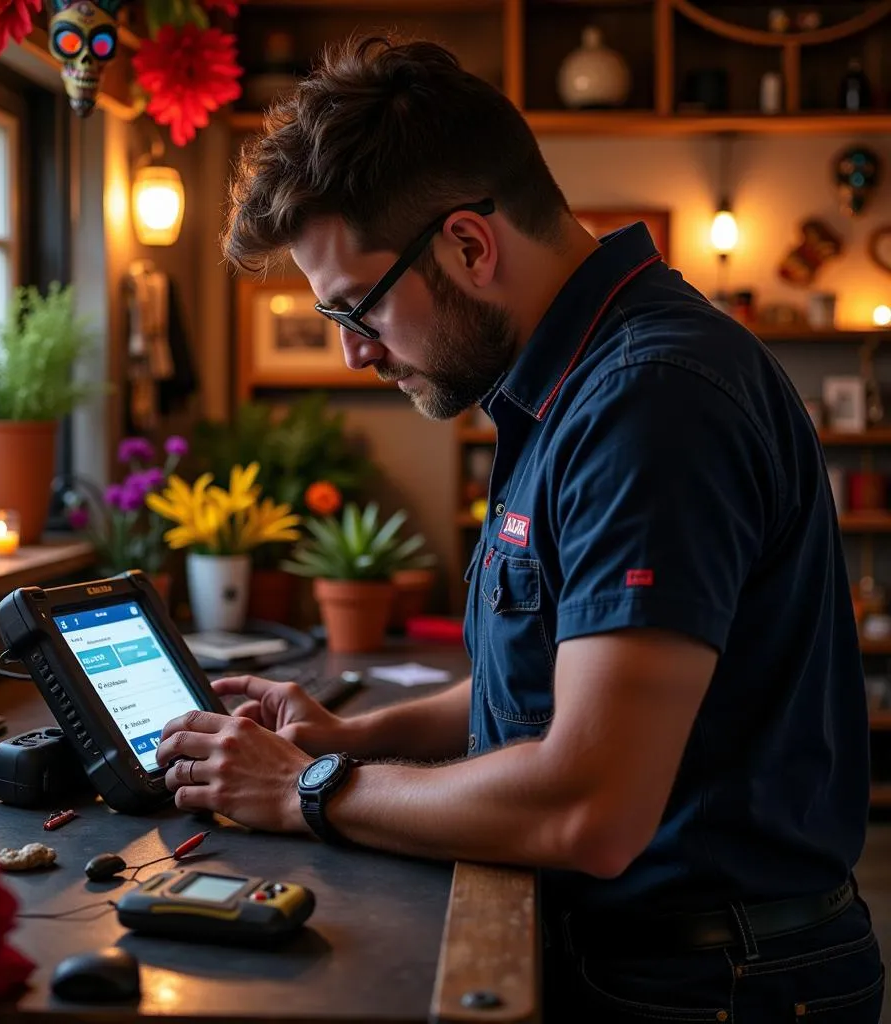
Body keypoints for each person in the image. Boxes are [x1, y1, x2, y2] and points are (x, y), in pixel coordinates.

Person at [154, 35, 885, 1021]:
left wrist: (306, 788)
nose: (353, 354)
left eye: (357, 309)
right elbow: (549, 682)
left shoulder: (647, 404)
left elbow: (588, 806)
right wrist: (353, 735)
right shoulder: (573, 380)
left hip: (701, 984)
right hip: (661, 957)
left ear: (467, 244)